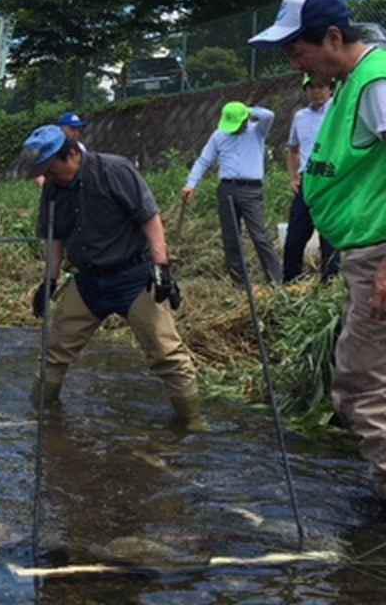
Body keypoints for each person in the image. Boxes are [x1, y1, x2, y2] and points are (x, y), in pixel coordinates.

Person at [250, 0, 386, 521]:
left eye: (297, 48)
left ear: (332, 37)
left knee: (367, 388)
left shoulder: (376, 82)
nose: (293, 61)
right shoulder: (357, 83)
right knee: (366, 381)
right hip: (375, 249)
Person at [19, 125, 204, 432]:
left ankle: (193, 423)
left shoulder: (113, 170)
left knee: (167, 354)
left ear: (73, 154)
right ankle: (41, 416)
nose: (47, 178)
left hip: (132, 277)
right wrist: (49, 281)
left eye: (51, 169)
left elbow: (149, 216)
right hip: (89, 282)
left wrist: (162, 267)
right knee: (54, 351)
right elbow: (55, 238)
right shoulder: (53, 190)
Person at [182, 101, 283, 286]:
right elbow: (204, 161)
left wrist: (247, 110)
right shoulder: (219, 135)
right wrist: (191, 184)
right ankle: (240, 284)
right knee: (231, 238)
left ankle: (276, 280)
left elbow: (269, 115)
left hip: (251, 190)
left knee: (259, 235)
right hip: (227, 189)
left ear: (245, 120)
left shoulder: (257, 132)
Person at [282, 74, 339, 283]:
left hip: (331, 178)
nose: (316, 91)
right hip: (307, 180)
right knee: (295, 235)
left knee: (329, 236)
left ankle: (330, 283)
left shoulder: (337, 110)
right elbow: (293, 149)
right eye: (311, 87)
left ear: (331, 89)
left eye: (321, 86)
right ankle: (290, 282)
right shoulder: (300, 117)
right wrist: (293, 176)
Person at [34, 112, 88, 188]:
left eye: (78, 129)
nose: (76, 132)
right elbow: (39, 176)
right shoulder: (49, 148)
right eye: (72, 128)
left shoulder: (80, 147)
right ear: (61, 129)